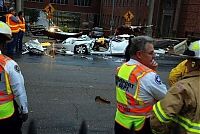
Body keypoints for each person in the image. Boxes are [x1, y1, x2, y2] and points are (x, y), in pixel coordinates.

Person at [114, 36, 167, 134]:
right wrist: (152, 71)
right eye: (151, 53)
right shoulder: (148, 75)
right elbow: (165, 97)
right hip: (139, 126)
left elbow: (131, 94)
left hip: (120, 122)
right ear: (139, 54)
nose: (154, 56)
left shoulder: (122, 68)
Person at [150, 40, 200, 134]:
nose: (185, 64)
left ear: (194, 63)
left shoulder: (183, 87)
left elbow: (158, 119)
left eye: (188, 60)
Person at [0, 21, 28, 134]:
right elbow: (19, 91)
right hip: (5, 116)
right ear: (3, 43)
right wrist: (24, 110)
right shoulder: (9, 64)